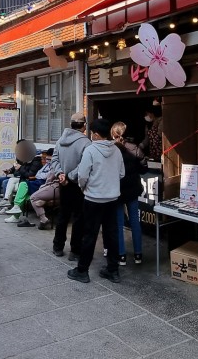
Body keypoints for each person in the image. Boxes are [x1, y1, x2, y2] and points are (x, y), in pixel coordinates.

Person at [67, 119, 124, 284]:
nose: (91, 135)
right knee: (111, 235)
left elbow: (82, 175)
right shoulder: (117, 150)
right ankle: (113, 271)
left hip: (93, 199)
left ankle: (82, 270)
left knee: (90, 235)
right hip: (112, 199)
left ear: (97, 134)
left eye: (92, 133)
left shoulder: (91, 150)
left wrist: (84, 188)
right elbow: (121, 174)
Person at [52, 113, 92, 260]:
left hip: (63, 184)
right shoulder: (86, 143)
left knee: (63, 215)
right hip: (77, 185)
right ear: (84, 125)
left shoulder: (60, 140)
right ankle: (75, 251)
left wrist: (60, 174)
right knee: (78, 218)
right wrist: (69, 176)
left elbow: (54, 159)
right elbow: (84, 166)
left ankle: (57, 247)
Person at [111, 122, 147, 266]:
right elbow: (144, 168)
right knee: (135, 221)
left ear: (113, 134)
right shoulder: (135, 148)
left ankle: (121, 256)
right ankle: (138, 254)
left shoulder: (111, 150)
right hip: (133, 189)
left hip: (117, 190)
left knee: (118, 223)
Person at [5, 148, 52, 227]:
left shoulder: (51, 165)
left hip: (44, 184)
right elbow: (38, 174)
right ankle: (15, 213)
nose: (46, 160)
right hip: (36, 181)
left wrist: (20, 168)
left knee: (23, 184)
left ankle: (16, 209)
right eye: (45, 158)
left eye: (47, 158)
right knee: (23, 193)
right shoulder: (44, 165)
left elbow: (45, 176)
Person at [0, 140, 40, 208]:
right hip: (16, 177)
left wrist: (20, 168)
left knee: (5, 182)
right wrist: (9, 170)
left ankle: (7, 205)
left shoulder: (34, 160)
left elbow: (29, 174)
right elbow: (15, 167)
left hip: (22, 178)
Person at [27, 149, 60, 230]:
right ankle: (43, 202)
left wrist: (43, 187)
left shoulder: (56, 164)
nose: (47, 159)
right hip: (56, 187)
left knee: (33, 197)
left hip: (56, 187)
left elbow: (48, 179)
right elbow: (38, 174)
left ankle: (44, 219)